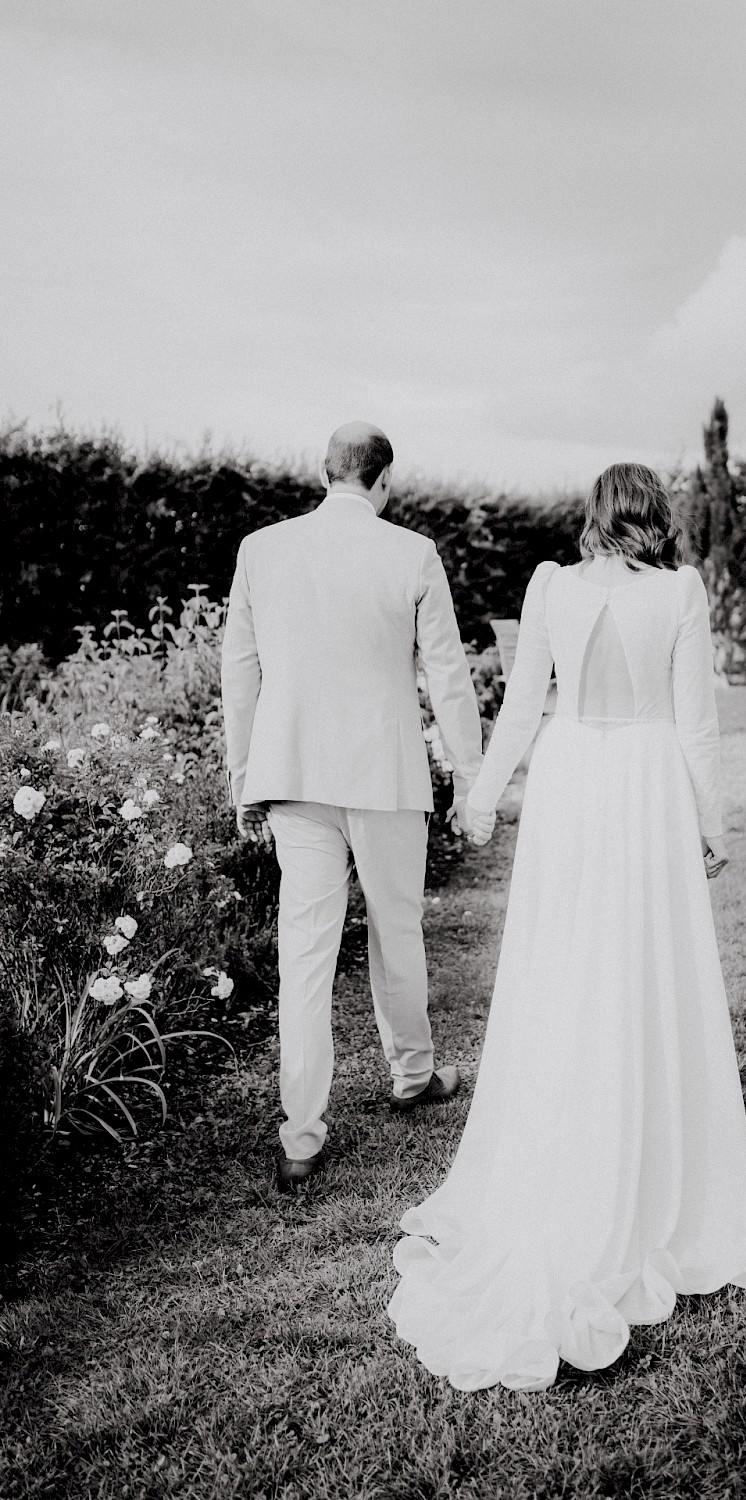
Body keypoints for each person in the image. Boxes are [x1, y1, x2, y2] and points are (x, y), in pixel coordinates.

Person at [388, 462, 746, 1390]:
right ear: (656, 517)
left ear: (595, 516)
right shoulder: (679, 591)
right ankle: (645, 1151)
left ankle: (568, 1129)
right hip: (645, 780)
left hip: (569, 779)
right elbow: (696, 722)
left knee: (563, 966)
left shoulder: (551, 584)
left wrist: (483, 796)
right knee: (645, 965)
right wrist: (712, 823)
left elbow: (523, 706)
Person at [221, 422, 484, 1190]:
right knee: (396, 930)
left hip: (295, 774)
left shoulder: (261, 549)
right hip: (385, 773)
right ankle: (412, 1075)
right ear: (384, 479)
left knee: (305, 953)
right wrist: (469, 776)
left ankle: (300, 1136)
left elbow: (239, 668)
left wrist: (245, 775)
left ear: (324, 472)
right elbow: (448, 675)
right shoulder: (413, 552)